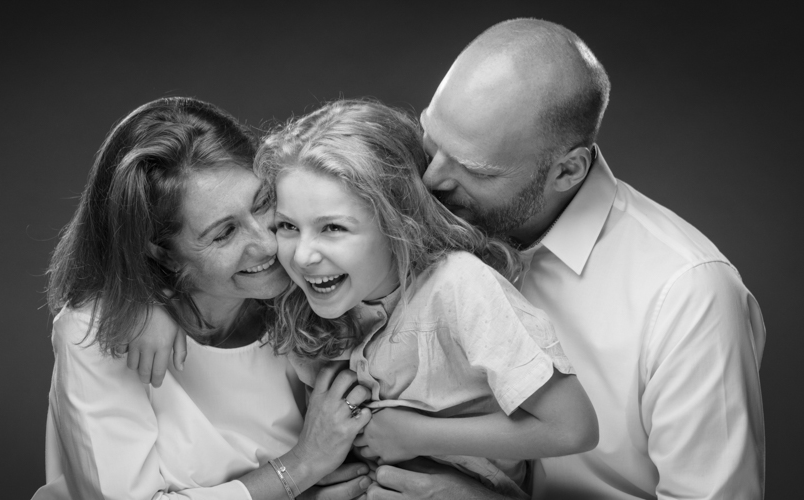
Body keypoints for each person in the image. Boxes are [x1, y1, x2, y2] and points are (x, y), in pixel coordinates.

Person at [405, 18, 766, 499]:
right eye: (431, 140)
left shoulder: (689, 294)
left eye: (473, 169)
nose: (430, 180)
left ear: (567, 171)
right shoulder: (433, 220)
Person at [33, 97, 376, 500]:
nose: (267, 244)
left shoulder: (311, 282)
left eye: (262, 202)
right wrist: (300, 467)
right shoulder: (97, 333)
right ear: (159, 250)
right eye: (224, 233)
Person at [254, 99, 597, 499]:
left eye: (332, 227)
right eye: (287, 226)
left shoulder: (458, 286)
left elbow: (573, 427)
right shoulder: (302, 295)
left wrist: (418, 435)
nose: (302, 255)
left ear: (397, 223)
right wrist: (161, 310)